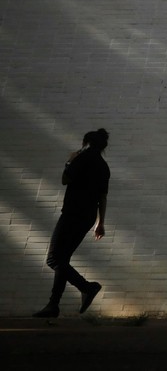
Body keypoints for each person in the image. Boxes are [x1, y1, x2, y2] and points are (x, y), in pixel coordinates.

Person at [33, 129, 111, 318]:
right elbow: (102, 197)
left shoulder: (81, 158)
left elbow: (64, 179)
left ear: (86, 143)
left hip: (72, 214)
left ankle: (87, 287)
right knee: (63, 259)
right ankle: (53, 305)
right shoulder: (104, 166)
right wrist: (100, 223)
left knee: (54, 259)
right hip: (88, 217)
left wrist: (70, 161)